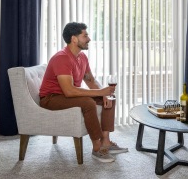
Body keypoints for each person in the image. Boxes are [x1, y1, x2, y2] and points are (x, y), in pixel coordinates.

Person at [39, 22, 128, 163]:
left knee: (110, 98)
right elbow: (68, 91)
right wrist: (100, 92)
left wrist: (104, 93)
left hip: (66, 95)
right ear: (74, 39)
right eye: (85, 35)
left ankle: (105, 141)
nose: (89, 39)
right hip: (51, 98)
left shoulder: (82, 57)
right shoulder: (61, 58)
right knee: (87, 102)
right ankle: (97, 148)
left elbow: (91, 81)